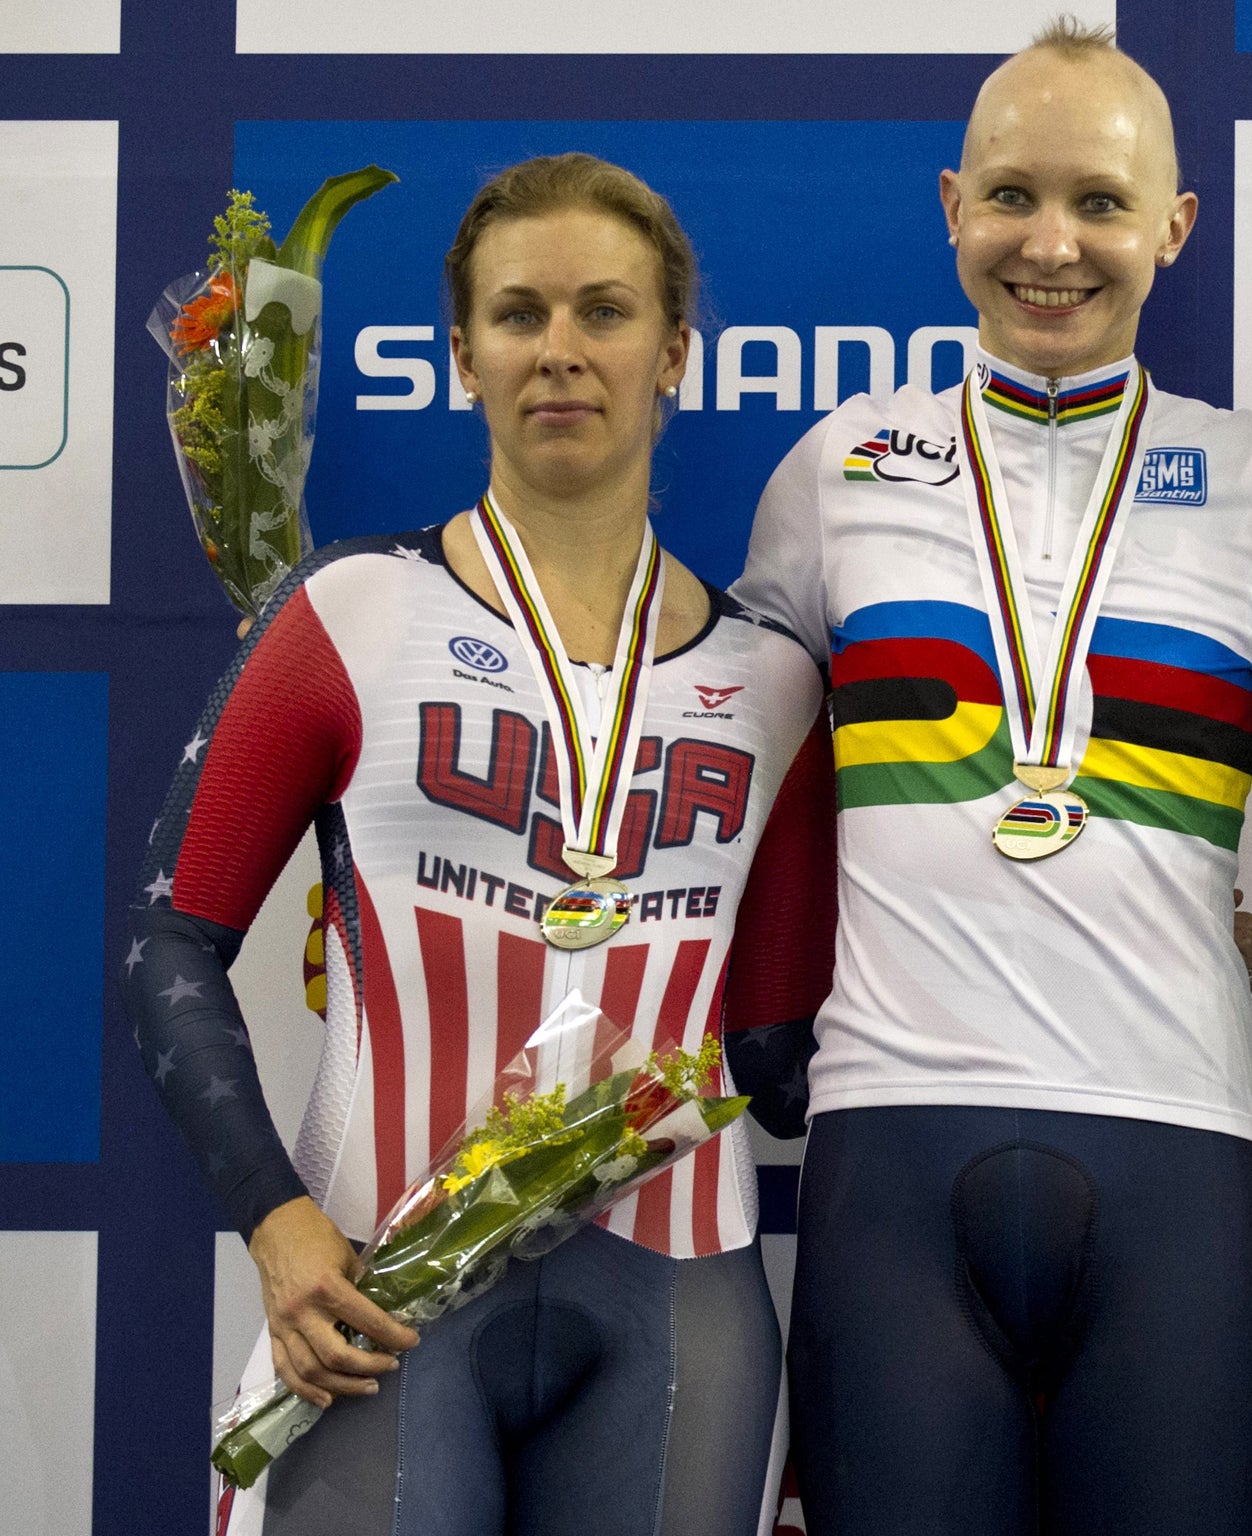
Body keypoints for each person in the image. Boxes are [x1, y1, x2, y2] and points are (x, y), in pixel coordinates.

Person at [123, 152, 835, 1536]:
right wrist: (275, 1219)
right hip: (372, 1287)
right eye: (518, 315)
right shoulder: (346, 615)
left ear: (676, 350)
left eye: (604, 312)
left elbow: (775, 1053)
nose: (559, 353)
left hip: (680, 1298)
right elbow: (173, 941)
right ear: (460, 354)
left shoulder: (776, 682)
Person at [731, 19, 1252, 1535]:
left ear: (1174, 228)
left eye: (1100, 201)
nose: (1053, 244)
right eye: (1012, 196)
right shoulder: (837, 472)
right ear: (952, 205)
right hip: (889, 1156)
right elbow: (705, 793)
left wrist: (1213, 1041)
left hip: (1182, 1179)